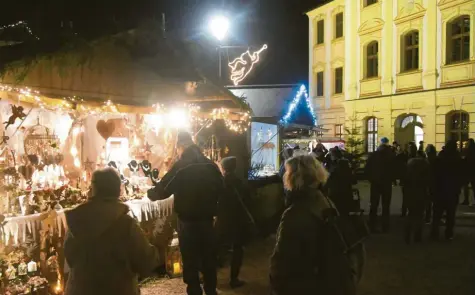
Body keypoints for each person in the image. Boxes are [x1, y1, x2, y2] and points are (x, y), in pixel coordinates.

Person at [270, 155, 362, 295]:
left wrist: (277, 285)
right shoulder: (325, 200)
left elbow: (282, 260)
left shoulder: (295, 212)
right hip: (331, 282)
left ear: (294, 177)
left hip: (308, 284)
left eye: (287, 172)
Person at [147, 132, 223, 295]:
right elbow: (222, 189)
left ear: (180, 146)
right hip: (208, 220)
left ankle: (194, 291)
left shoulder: (181, 166)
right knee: (208, 258)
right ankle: (211, 290)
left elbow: (162, 192)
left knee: (190, 260)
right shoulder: (211, 165)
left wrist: (151, 192)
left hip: (188, 221)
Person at [64, 168, 159, 295]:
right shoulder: (126, 224)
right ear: (119, 190)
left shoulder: (78, 219)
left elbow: (70, 256)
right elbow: (145, 261)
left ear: (93, 190)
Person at [216, 156, 253, 289]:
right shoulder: (240, 183)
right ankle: (234, 279)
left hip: (222, 220)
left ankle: (209, 276)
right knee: (237, 250)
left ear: (223, 167)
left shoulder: (220, 182)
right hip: (238, 221)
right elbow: (248, 201)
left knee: (216, 248)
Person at [431, 140, 464, 241]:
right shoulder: (458, 159)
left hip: (439, 189)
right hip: (452, 190)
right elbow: (462, 175)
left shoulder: (440, 158)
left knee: (437, 213)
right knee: (450, 214)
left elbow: (433, 174)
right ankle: (448, 234)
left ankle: (434, 233)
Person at [365, 137, 396, 233]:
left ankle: (372, 224)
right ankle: (385, 226)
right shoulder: (391, 155)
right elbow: (395, 169)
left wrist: (371, 179)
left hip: (375, 183)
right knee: (386, 205)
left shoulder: (374, 155)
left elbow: (367, 168)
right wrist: (392, 179)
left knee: (374, 204)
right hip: (386, 183)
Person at [404, 150, 430, 244]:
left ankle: (407, 236)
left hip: (410, 192)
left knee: (410, 214)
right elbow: (428, 181)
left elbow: (405, 180)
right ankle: (417, 237)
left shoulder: (410, 165)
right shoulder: (425, 166)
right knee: (419, 215)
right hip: (421, 192)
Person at [425, 144, 438, 224]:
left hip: (428, 183)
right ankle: (435, 218)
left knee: (428, 202)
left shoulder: (425, 161)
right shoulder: (437, 160)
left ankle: (427, 218)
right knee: (436, 202)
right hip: (435, 183)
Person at [462, 139, 475, 206]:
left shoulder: (467, 151)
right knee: (473, 186)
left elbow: (465, 160)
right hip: (473, 171)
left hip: (467, 171)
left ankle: (466, 200)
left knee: (466, 186)